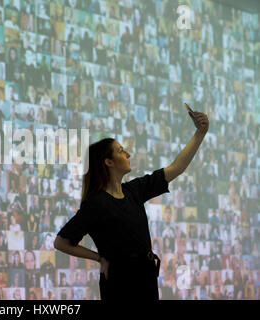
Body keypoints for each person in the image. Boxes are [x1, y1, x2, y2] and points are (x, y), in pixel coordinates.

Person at [54, 108, 209, 301]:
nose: (127, 154)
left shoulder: (134, 190)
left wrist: (200, 133)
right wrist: (99, 258)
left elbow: (177, 167)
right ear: (108, 162)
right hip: (120, 284)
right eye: (120, 151)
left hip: (146, 278)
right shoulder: (95, 204)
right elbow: (61, 242)